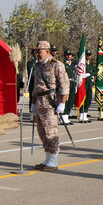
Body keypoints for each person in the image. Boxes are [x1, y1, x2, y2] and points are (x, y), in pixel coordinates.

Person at [29, 41, 69, 171]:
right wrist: (33, 103)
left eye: (39, 51)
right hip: (40, 103)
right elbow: (36, 86)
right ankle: (47, 158)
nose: (37, 54)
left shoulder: (57, 65)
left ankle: (53, 161)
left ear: (47, 51)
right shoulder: (38, 66)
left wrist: (62, 103)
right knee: (42, 132)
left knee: (51, 132)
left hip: (51, 103)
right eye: (36, 51)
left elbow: (64, 85)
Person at [78, 51, 95, 123]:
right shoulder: (82, 64)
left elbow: (96, 71)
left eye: (89, 55)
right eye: (87, 55)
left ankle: (85, 114)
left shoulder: (91, 65)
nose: (88, 56)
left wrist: (90, 74)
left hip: (89, 84)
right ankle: (81, 115)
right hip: (83, 84)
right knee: (83, 99)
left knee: (88, 99)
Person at [62, 50, 76, 124]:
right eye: (67, 55)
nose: (68, 56)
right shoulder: (62, 64)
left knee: (71, 100)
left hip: (72, 83)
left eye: (70, 55)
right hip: (66, 83)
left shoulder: (73, 65)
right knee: (65, 100)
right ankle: (63, 117)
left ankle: (66, 116)